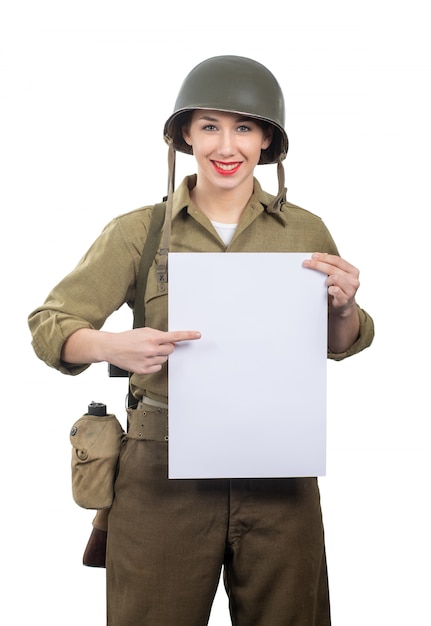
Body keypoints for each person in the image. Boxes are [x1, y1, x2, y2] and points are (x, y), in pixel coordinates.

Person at [28, 55, 374, 625]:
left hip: (280, 471)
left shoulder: (307, 230)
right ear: (185, 135)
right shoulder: (138, 232)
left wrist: (346, 306)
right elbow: (50, 324)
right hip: (161, 470)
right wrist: (112, 346)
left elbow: (339, 342)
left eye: (243, 126)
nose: (226, 145)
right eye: (209, 126)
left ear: (267, 139)